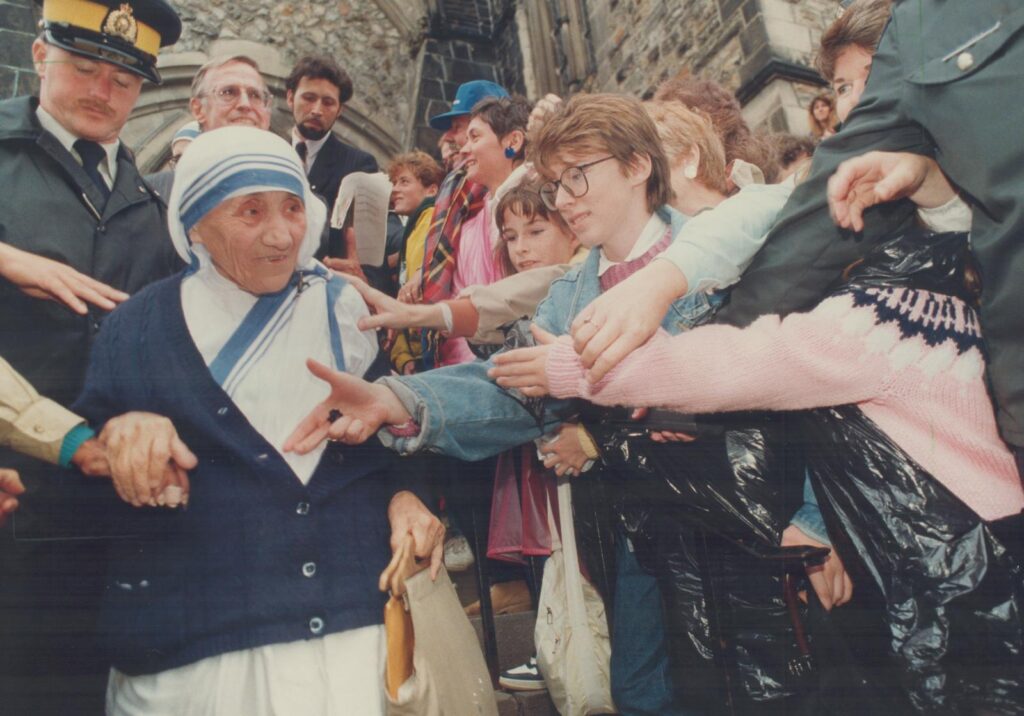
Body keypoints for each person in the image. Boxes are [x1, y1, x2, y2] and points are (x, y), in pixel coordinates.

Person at [282, 93, 780, 715]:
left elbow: (774, 378)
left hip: (744, 524)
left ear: (637, 167)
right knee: (642, 692)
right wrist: (394, 398)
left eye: (579, 176)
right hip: (638, 533)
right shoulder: (568, 296)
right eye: (555, 182)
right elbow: (509, 384)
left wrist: (811, 517)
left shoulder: (721, 254)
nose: (565, 198)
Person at [491, 226, 1024, 712]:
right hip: (975, 546)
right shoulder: (943, 300)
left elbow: (733, 367)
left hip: (964, 567)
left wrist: (573, 366)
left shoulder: (884, 315)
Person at [70, 126, 443, 714]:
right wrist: (118, 438)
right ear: (195, 223)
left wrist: (406, 496)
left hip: (351, 636)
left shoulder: (345, 312)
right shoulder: (136, 329)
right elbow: (80, 464)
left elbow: (390, 441)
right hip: (204, 648)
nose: (280, 234)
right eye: (250, 212)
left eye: (293, 208)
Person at [0, 0, 183, 709]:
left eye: (123, 80)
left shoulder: (147, 197)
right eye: (84, 68)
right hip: (14, 500)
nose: (102, 93)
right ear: (41, 54)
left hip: (113, 515)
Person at [418, 79, 509, 366]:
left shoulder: (518, 198)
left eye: (462, 129)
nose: (453, 138)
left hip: (492, 348)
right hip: (456, 344)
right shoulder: (458, 189)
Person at [286, 55, 379, 258]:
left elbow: (366, 245)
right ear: (290, 98)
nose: (317, 110)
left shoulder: (359, 165)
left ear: (339, 110)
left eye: (328, 103)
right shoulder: (269, 152)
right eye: (309, 98)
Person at [147, 54, 274, 198]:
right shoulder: (154, 196)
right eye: (228, 92)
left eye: (255, 95)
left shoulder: (293, 191)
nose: (245, 104)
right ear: (198, 109)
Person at [386, 151, 444, 374]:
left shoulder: (433, 219)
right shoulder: (413, 228)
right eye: (394, 182)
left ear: (431, 190)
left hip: (431, 349)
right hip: (417, 353)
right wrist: (403, 356)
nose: (395, 189)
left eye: (404, 181)